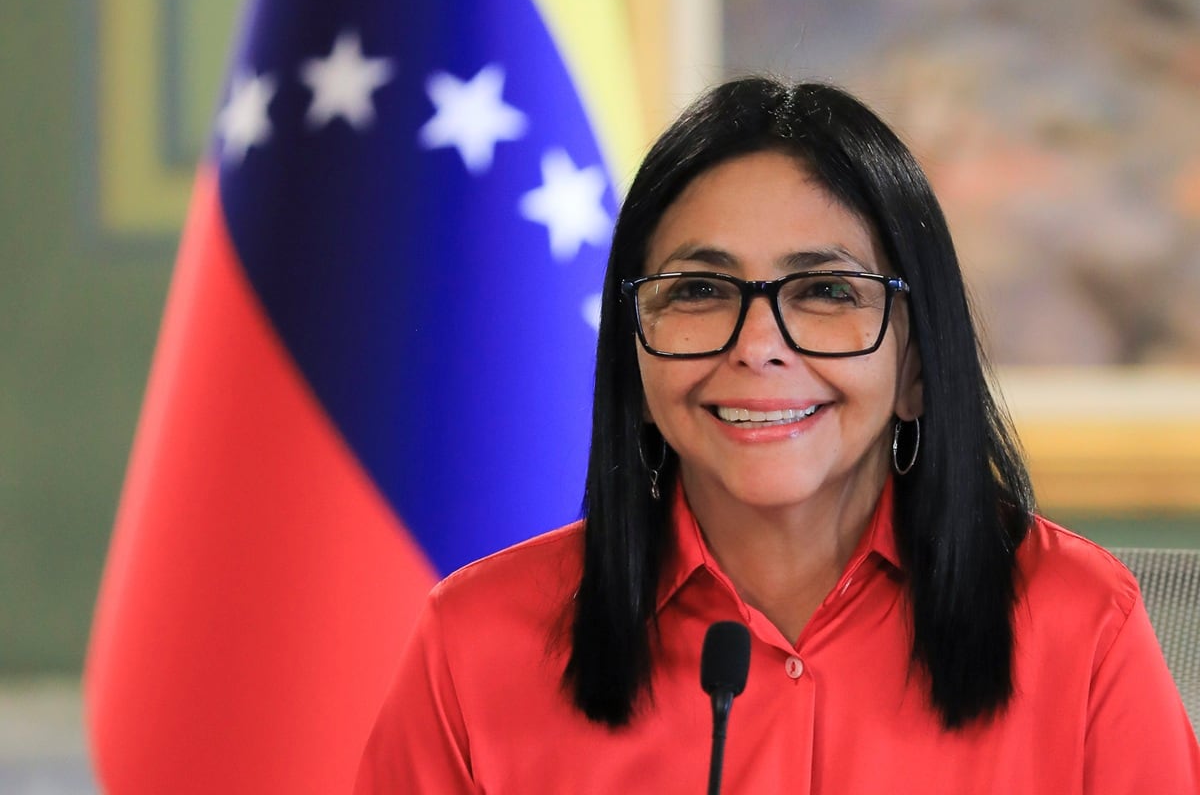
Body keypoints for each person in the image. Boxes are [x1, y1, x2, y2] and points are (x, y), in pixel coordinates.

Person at [355, 78, 1200, 793]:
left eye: (827, 292)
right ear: (635, 360)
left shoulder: (1079, 625)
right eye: (697, 292)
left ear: (916, 366)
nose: (758, 346)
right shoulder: (476, 643)